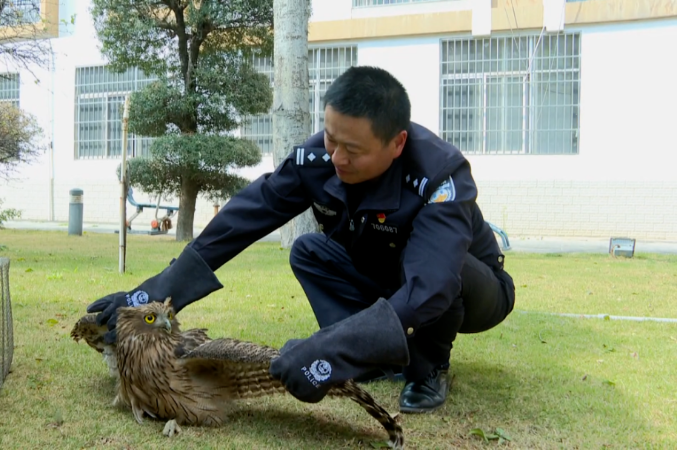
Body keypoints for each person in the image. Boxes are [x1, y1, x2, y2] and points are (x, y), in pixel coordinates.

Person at [87, 66, 515, 413]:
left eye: (353, 149)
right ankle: (374, 359)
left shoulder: (440, 176)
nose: (336, 158)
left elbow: (429, 287)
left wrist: (328, 350)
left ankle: (429, 368)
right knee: (309, 251)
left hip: (472, 290)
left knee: (443, 264)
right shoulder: (319, 158)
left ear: (397, 143)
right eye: (330, 137)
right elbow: (247, 216)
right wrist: (152, 296)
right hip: (385, 274)